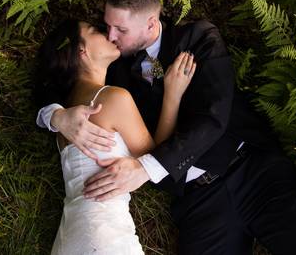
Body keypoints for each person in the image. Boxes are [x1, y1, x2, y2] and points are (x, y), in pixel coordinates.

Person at [37, 0, 296, 254]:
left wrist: (145, 169)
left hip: (252, 171)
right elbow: (58, 75)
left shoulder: (198, 39)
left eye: (120, 30)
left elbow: (213, 118)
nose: (111, 36)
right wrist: (56, 117)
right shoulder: (113, 67)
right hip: (199, 198)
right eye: (106, 26)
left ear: (150, 23)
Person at [35, 19, 197, 255]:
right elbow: (158, 158)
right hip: (102, 235)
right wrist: (172, 95)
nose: (109, 36)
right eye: (96, 32)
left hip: (77, 232)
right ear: (82, 51)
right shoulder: (111, 99)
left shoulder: (67, 114)